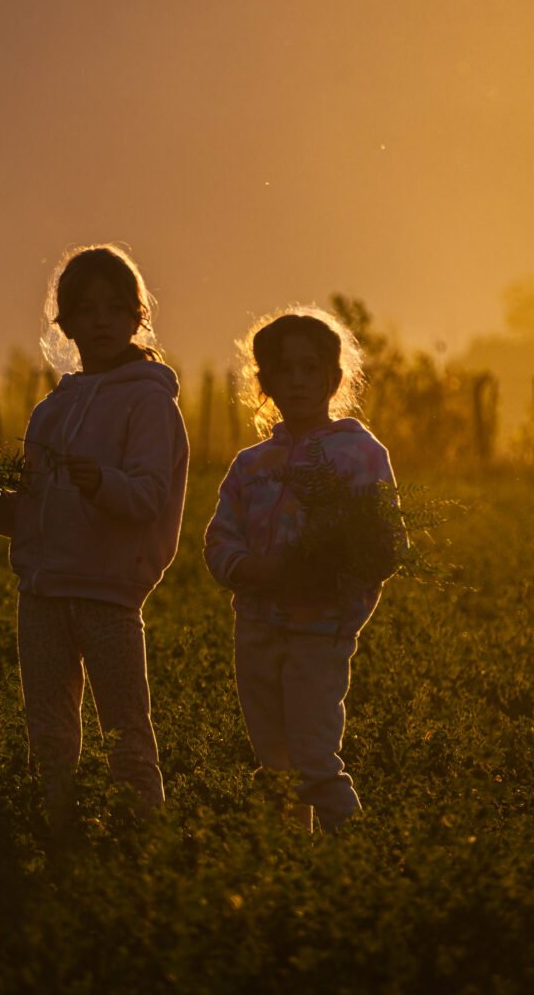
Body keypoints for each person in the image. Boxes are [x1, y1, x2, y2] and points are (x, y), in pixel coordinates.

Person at [0, 245, 189, 829]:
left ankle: (145, 849)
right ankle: (57, 837)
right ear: (66, 323)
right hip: (42, 595)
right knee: (48, 736)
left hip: (109, 595)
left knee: (126, 733)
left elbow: (150, 499)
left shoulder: (150, 404)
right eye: (85, 309)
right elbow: (22, 518)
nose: (100, 321)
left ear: (137, 317)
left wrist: (101, 482)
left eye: (115, 308)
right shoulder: (52, 411)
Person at [204, 307, 400, 832]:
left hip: (321, 633)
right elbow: (220, 538)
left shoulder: (359, 452)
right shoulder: (250, 466)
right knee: (275, 767)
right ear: (263, 381)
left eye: (308, 368)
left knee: (315, 763)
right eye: (282, 370)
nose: (296, 380)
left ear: (333, 379)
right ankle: (286, 875)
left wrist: (327, 576)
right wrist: (248, 571)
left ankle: (354, 862)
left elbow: (386, 546)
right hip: (257, 632)